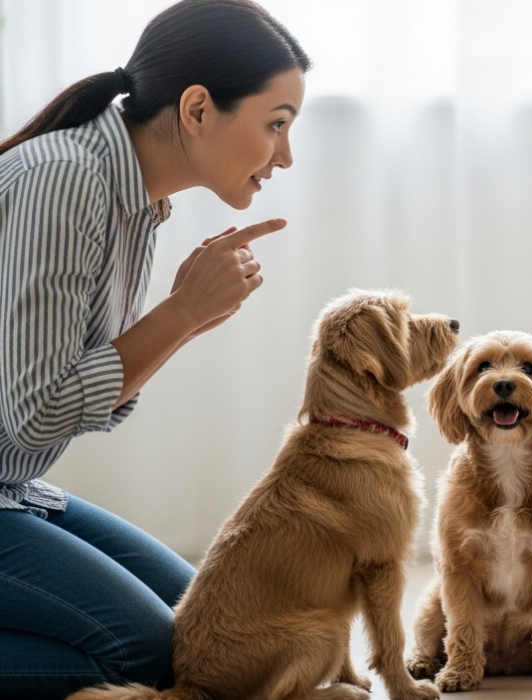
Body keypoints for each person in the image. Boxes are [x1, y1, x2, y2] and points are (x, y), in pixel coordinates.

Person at [0, 1, 310, 697]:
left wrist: (190, 319)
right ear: (198, 108)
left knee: (203, 630)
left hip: (12, 488)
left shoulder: (133, 201)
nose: (286, 155)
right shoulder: (67, 178)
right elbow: (39, 415)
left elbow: (87, 404)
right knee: (145, 656)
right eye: (277, 124)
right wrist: (180, 312)